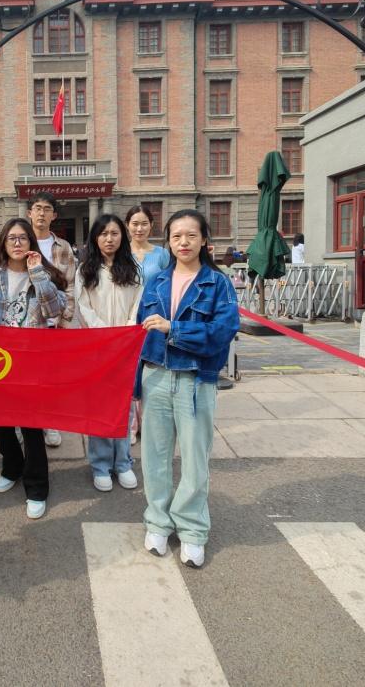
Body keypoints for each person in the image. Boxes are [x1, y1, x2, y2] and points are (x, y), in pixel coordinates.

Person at [136, 208, 239, 569]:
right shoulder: (156, 282)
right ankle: (158, 522)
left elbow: (224, 332)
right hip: (156, 376)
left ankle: (193, 529)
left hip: (196, 380)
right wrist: (135, 385)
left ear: (204, 240)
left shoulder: (218, 283)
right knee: (155, 456)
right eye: (176, 236)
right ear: (168, 241)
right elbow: (139, 335)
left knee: (195, 458)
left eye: (191, 235)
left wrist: (174, 329)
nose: (183, 242)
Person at [0, 217, 67, 519]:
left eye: (23, 238)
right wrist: (2, 338)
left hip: (33, 361)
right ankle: (11, 466)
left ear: (31, 243)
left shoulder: (43, 273)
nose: (17, 243)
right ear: (3, 243)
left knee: (32, 425)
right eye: (11, 238)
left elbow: (55, 310)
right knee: (1, 421)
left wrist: (37, 273)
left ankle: (36, 487)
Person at [74, 214, 142, 492]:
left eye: (114, 233)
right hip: (97, 348)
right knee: (99, 407)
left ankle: (123, 462)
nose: (109, 239)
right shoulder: (85, 271)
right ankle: (101, 464)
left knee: (124, 407)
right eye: (103, 234)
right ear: (95, 238)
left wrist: (125, 334)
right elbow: (83, 306)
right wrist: (106, 335)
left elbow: (138, 304)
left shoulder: (134, 269)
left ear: (122, 237)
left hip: (126, 347)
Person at [27, 191, 77, 449]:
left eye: (47, 209)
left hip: (53, 322)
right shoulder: (21, 242)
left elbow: (71, 284)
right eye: (37, 208)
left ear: (54, 215)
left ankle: (50, 422)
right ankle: (24, 422)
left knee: (51, 377)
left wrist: (65, 317)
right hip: (26, 322)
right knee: (25, 376)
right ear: (29, 212)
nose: (42, 213)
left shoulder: (63, 247)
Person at [126, 205, 170, 287]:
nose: (139, 229)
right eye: (135, 224)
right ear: (127, 225)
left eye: (144, 224)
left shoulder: (162, 253)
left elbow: (168, 283)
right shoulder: (120, 253)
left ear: (151, 224)